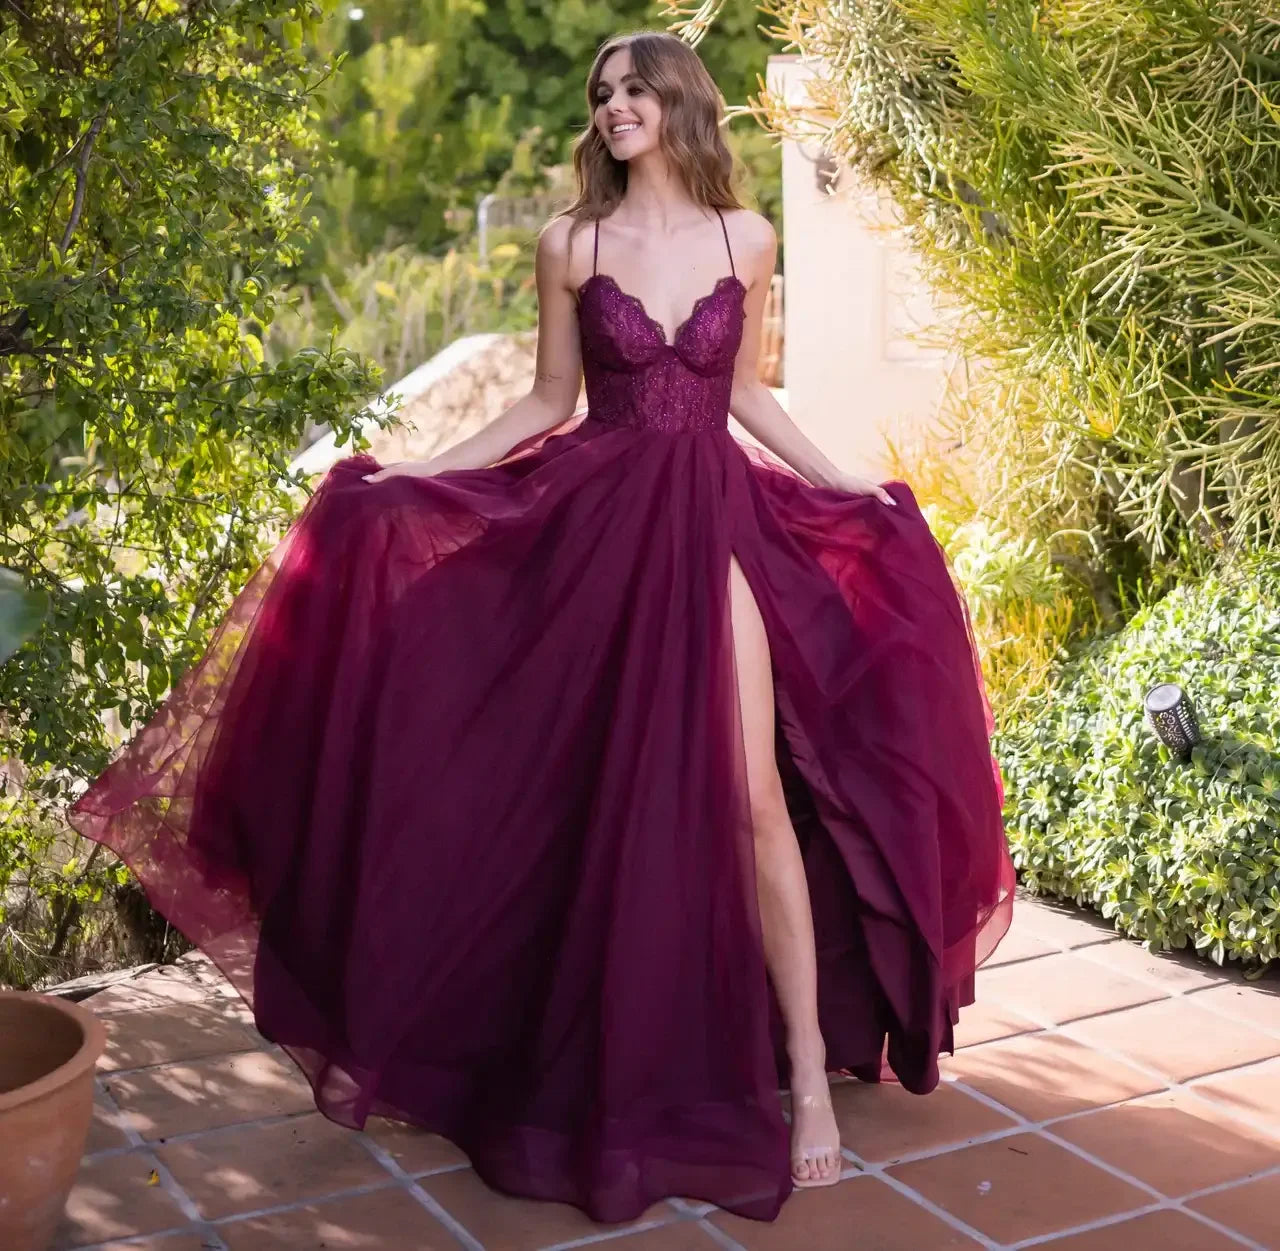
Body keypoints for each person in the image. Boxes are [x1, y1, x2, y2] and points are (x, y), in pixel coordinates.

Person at [69, 29, 1014, 1226]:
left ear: (679, 104)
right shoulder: (570, 243)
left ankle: (803, 1089)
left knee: (752, 799)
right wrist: (409, 483)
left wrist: (844, 493)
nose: (613, 106)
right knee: (580, 798)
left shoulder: (748, 238)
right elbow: (544, 401)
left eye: (633, 89)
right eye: (601, 94)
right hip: (595, 539)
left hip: (713, 528)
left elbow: (745, 395)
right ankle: (581, 1059)